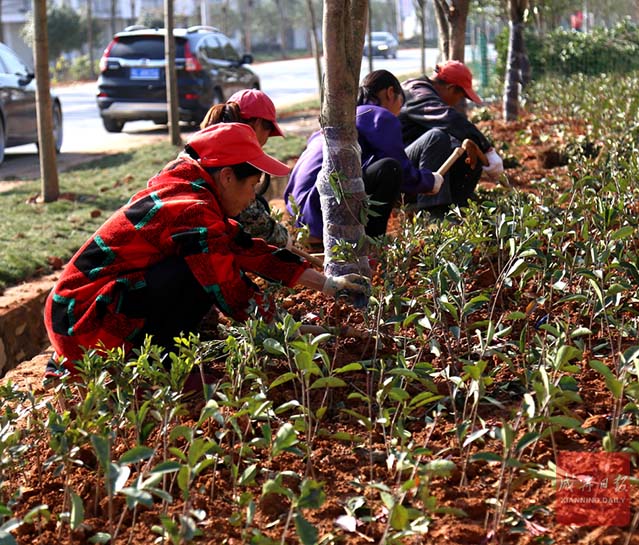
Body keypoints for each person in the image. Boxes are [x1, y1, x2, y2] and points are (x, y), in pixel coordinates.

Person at [44, 123, 369, 377]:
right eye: (252, 187)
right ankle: (162, 366)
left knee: (209, 262)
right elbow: (232, 292)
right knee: (199, 275)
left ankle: (162, 358)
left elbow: (246, 248)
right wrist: (292, 335)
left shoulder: (193, 195)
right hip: (83, 319)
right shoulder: (191, 209)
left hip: (77, 309)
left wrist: (328, 284)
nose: (251, 198)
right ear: (227, 177)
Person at [284, 70, 444, 250]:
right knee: (390, 169)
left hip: (301, 216)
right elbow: (401, 170)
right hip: (320, 209)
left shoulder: (343, 117)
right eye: (401, 102)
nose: (399, 111)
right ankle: (373, 244)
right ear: (390, 93)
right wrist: (429, 181)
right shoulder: (378, 116)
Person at [398, 60, 504, 216]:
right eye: (460, 96)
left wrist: (477, 148)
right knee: (436, 138)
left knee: (465, 149)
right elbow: (448, 118)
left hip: (409, 165)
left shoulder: (425, 92)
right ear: (451, 88)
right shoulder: (416, 92)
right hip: (395, 169)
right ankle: (433, 213)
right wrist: (486, 148)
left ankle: (457, 208)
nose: (458, 102)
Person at [200, 89, 291, 247]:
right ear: (255, 124)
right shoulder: (234, 160)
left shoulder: (202, 145)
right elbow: (274, 238)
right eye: (268, 130)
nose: (266, 140)